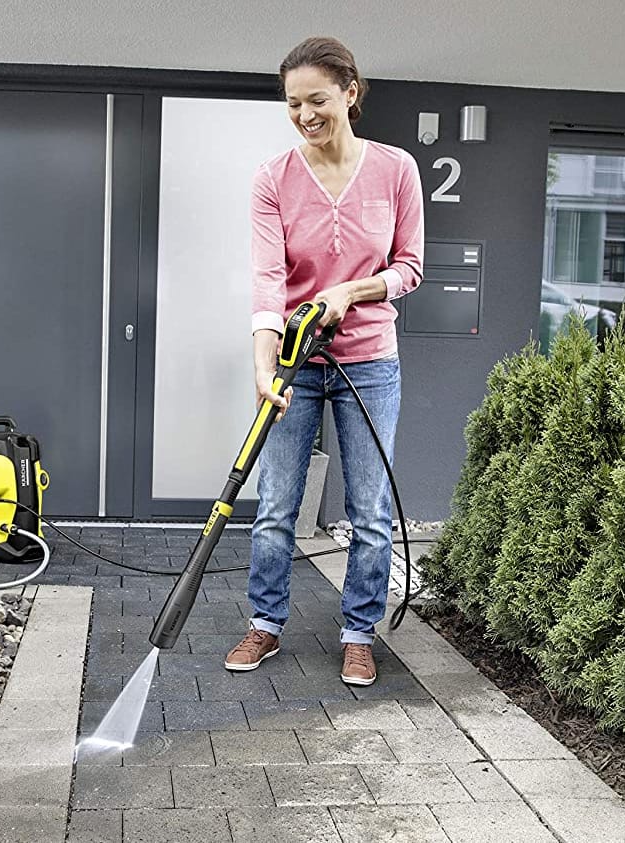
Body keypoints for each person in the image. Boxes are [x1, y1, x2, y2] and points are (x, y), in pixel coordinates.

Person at [223, 36, 424, 686]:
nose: (305, 114)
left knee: (368, 509)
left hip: (370, 361)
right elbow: (266, 281)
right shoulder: (273, 180)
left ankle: (358, 631)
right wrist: (263, 363)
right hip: (294, 361)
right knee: (278, 501)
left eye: (316, 99)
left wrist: (352, 290)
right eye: (293, 104)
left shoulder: (396, 170)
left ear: (350, 91)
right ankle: (266, 623)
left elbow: (410, 268)